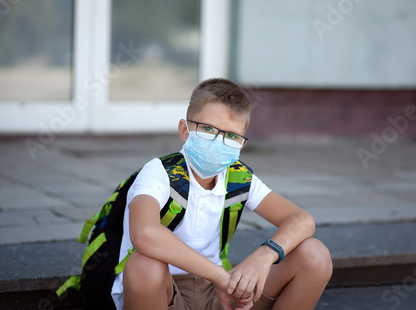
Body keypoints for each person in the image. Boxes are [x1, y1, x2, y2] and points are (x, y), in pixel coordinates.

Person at [111, 78, 332, 310]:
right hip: (165, 291)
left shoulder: (237, 177)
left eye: (231, 136)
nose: (219, 142)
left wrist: (263, 258)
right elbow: (144, 233)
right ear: (185, 130)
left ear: (241, 145)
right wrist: (219, 275)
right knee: (144, 265)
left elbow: (301, 219)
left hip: (218, 293)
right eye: (207, 129)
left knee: (314, 254)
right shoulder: (159, 172)